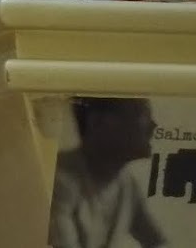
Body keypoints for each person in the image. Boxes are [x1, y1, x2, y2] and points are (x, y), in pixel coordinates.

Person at [49, 97, 168, 248]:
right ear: (97, 122)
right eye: (141, 114)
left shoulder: (127, 184)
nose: (153, 125)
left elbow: (158, 242)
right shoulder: (57, 181)